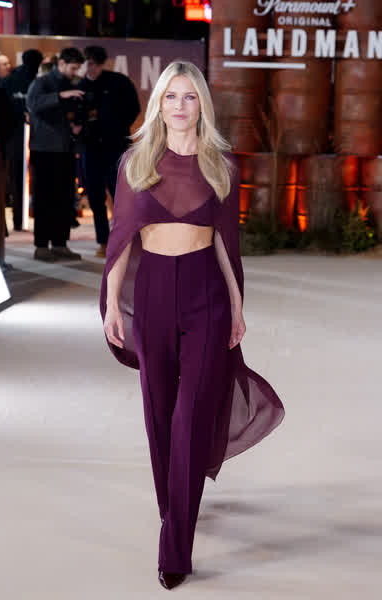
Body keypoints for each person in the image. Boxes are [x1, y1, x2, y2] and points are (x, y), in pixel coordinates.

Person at [99, 61, 285, 589]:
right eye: (171, 96)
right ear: (158, 103)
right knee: (158, 412)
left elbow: (226, 242)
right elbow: (121, 239)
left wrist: (237, 305)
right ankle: (172, 508)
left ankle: (174, 547)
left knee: (191, 417)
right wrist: (111, 304)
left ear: (202, 104)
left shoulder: (221, 165)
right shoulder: (136, 162)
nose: (180, 106)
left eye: (190, 96)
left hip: (207, 294)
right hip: (153, 292)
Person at [79, 45, 140, 257]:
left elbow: (134, 108)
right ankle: (103, 241)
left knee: (121, 194)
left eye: (94, 64)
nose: (91, 68)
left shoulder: (119, 82)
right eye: (87, 64)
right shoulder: (80, 86)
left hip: (116, 147)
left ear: (102, 64)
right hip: (90, 148)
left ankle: (125, 239)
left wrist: (117, 128)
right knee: (95, 196)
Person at [26, 47, 85, 262]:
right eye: (72, 68)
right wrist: (59, 96)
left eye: (77, 68)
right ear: (61, 64)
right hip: (44, 150)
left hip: (66, 150)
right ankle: (41, 246)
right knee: (44, 199)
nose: (75, 72)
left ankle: (60, 244)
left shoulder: (73, 84)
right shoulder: (41, 83)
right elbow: (32, 105)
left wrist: (78, 123)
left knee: (64, 199)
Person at [1, 49, 43, 231]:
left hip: (16, 138)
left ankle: (20, 218)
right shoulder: (38, 81)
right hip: (31, 137)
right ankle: (30, 217)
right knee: (33, 178)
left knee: (18, 178)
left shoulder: (10, 81)